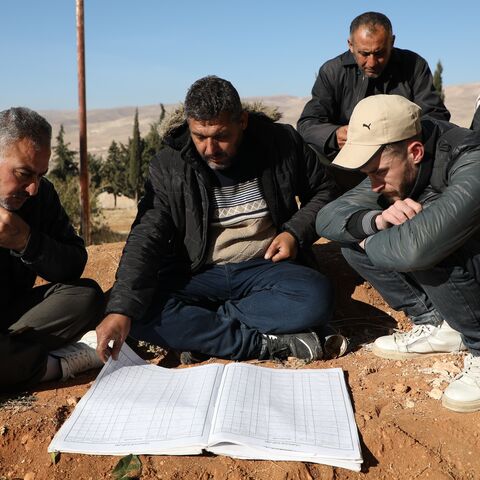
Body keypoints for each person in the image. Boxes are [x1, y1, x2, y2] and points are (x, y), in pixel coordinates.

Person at [96, 75, 343, 365]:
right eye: (200, 136)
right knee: (131, 312)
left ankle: (203, 330)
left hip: (265, 267)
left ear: (243, 122)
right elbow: (146, 234)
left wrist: (294, 233)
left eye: (221, 136)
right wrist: (122, 309)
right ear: (189, 125)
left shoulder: (282, 143)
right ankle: (264, 344)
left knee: (316, 298)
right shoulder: (169, 164)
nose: (210, 149)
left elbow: (325, 190)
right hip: (195, 272)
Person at [315, 94, 480, 413]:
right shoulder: (397, 156)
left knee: (427, 243)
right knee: (359, 230)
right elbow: (329, 217)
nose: (374, 185)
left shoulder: (470, 159)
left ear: (415, 152)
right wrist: (374, 220)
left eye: (377, 172)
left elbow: (415, 250)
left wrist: (373, 239)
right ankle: (437, 324)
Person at [0, 107, 104, 394]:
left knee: (86, 296)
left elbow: (73, 264)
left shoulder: (39, 195)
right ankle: (55, 366)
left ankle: (13, 359)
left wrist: (26, 241)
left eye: (40, 175)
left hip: (14, 317)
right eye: (23, 174)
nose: (32, 188)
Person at [297, 11, 450, 191]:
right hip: (349, 166)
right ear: (350, 45)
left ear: (392, 42)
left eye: (379, 53)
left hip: (401, 164)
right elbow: (308, 124)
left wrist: (399, 136)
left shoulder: (414, 65)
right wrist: (334, 135)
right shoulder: (332, 71)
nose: (371, 62)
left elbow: (436, 117)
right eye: (364, 53)